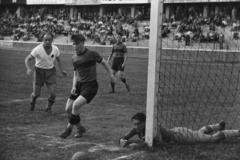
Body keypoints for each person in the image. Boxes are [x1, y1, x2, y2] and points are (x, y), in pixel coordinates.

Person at [59, 34, 116, 138]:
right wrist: (74, 86)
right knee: (68, 109)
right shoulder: (74, 58)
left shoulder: (92, 54)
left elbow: (104, 63)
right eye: (73, 44)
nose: (75, 46)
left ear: (83, 43)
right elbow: (76, 74)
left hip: (90, 86)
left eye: (77, 43)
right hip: (79, 85)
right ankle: (81, 128)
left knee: (76, 105)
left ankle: (68, 130)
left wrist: (111, 75)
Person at [119, 112, 240, 147]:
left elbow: (158, 144)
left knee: (213, 140)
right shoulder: (137, 129)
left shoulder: (154, 128)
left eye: (138, 124)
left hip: (181, 136)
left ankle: (237, 132)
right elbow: (124, 137)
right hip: (178, 131)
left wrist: (138, 145)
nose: (136, 126)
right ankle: (218, 126)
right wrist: (123, 140)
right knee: (199, 134)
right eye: (134, 124)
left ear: (145, 122)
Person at [25, 32, 67, 113]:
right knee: (36, 94)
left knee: (53, 94)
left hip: (51, 72)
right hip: (39, 72)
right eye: (45, 40)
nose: (47, 41)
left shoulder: (55, 49)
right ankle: (33, 100)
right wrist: (28, 69)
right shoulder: (38, 49)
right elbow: (27, 59)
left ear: (52, 40)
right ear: (42, 40)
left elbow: (58, 59)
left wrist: (62, 70)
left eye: (49, 40)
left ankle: (48, 108)